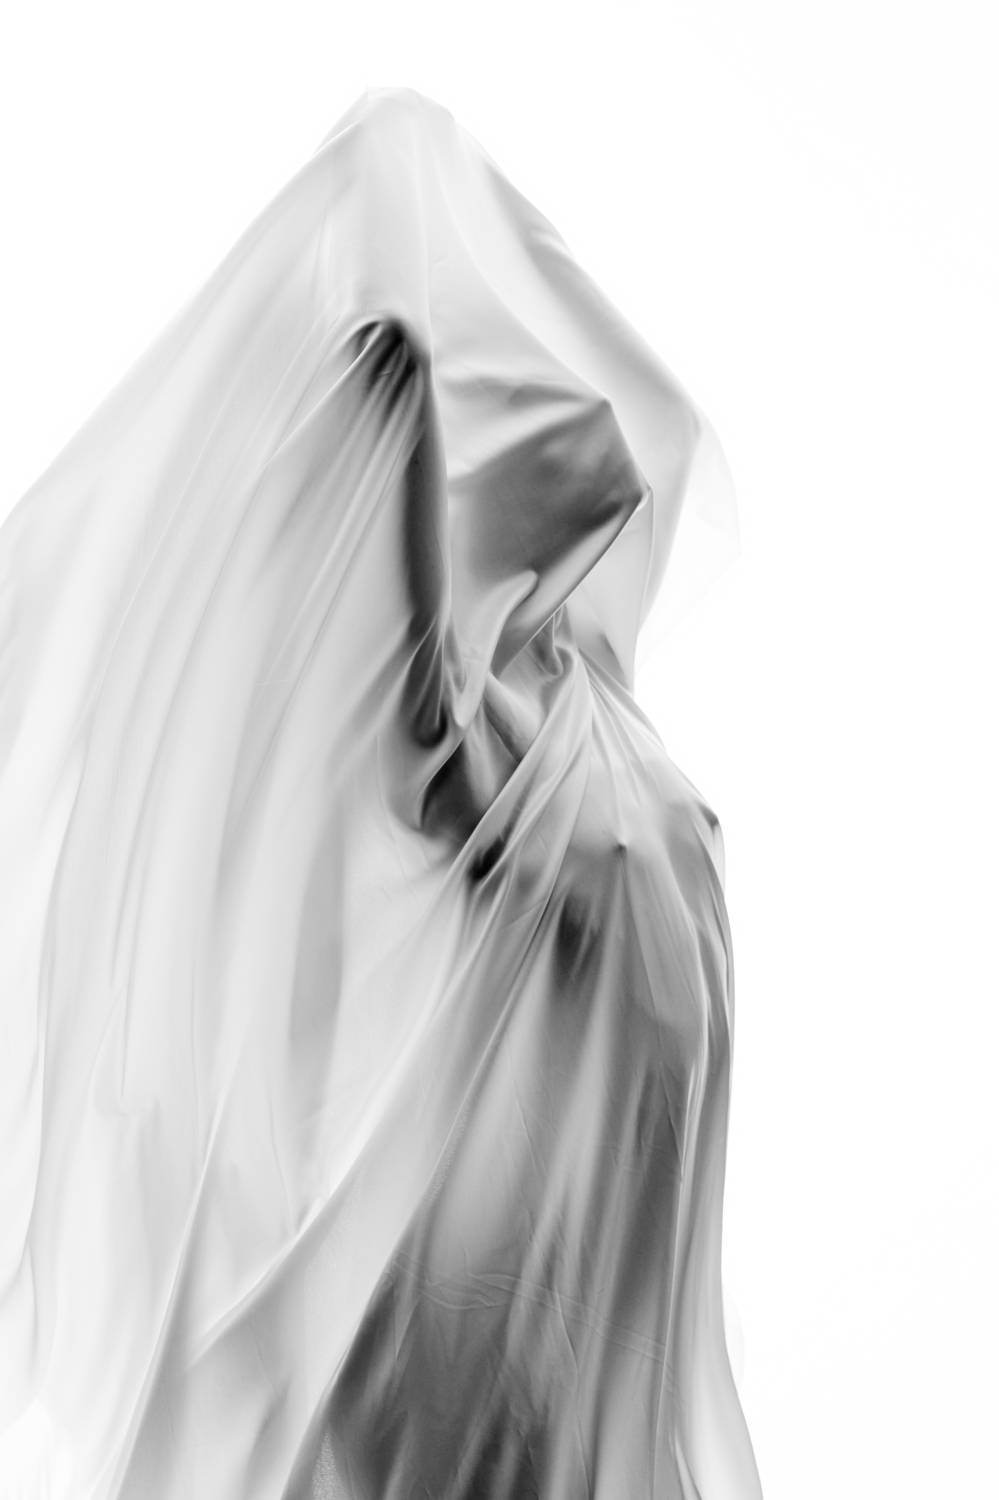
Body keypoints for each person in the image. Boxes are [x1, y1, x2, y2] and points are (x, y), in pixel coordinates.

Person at [0, 86, 762, 1498]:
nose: (594, 449)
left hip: (601, 1319)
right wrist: (396, 261)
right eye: (540, 440)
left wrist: (444, 199)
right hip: (488, 1326)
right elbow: (393, 389)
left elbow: (642, 425)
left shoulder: (598, 710)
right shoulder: (480, 758)